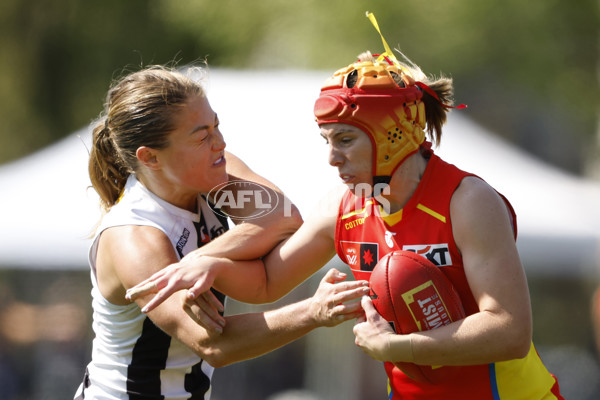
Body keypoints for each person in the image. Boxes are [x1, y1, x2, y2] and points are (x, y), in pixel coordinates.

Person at [126, 18, 564, 400]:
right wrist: (206, 263)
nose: (332, 158)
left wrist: (400, 348)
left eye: (346, 140)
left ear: (393, 133)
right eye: (327, 141)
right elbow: (265, 282)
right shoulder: (345, 207)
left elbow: (509, 330)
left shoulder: (467, 201)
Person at [73, 65, 370, 400]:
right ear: (150, 158)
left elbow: (284, 219)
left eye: (216, 126)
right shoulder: (135, 235)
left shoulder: (213, 178)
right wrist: (313, 311)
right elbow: (213, 342)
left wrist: (200, 260)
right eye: (202, 137)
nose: (220, 143)